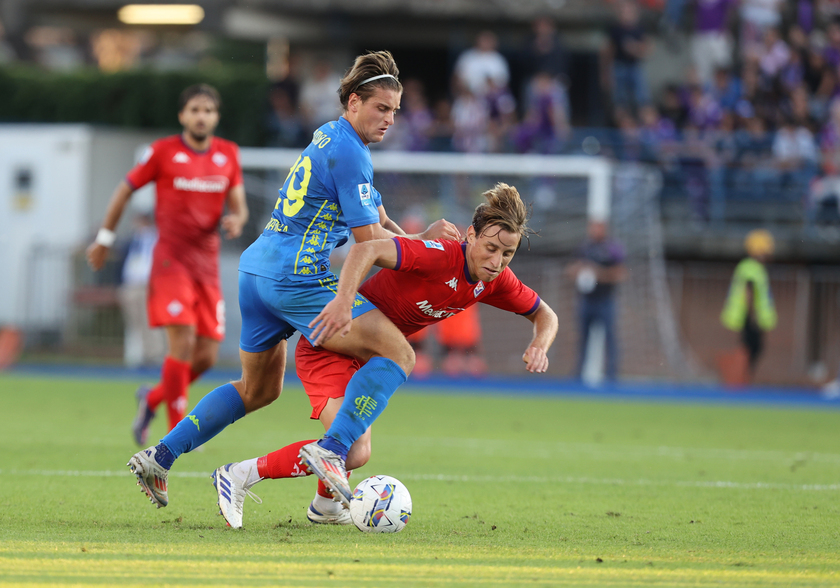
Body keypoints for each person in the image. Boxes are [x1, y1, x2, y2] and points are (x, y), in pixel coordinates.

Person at [126, 51, 460, 509]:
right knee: (398, 351)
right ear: (354, 102)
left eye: (395, 111)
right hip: (295, 279)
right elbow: (368, 245)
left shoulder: (332, 136)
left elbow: (376, 214)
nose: (389, 119)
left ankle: (160, 456)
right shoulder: (351, 152)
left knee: (258, 389)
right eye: (381, 108)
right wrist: (428, 253)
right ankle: (334, 450)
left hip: (256, 270)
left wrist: (415, 236)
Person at [211, 183, 559, 529]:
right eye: (491, 248)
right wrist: (344, 301)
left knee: (356, 453)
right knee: (346, 442)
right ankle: (240, 474)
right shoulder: (439, 254)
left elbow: (546, 315)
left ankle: (325, 507)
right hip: (331, 345)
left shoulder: (494, 280)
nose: (497, 261)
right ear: (471, 235)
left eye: (507, 254)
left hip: (372, 359)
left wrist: (539, 344)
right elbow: (367, 251)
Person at [86, 84, 248, 446]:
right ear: (182, 116)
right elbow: (125, 190)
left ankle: (153, 398)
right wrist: (104, 240)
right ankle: (177, 435)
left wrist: (236, 220)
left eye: (208, 110)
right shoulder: (162, 152)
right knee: (183, 342)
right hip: (171, 261)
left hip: (206, 265)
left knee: (206, 356)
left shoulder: (228, 154)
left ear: (216, 117)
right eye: (194, 109)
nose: (201, 116)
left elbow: (238, 205)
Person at [566, 220, 626, 383]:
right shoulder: (584, 248)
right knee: (582, 337)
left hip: (605, 300)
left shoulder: (612, 248)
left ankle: (612, 376)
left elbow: (620, 273)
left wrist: (599, 274)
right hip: (586, 301)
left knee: (610, 337)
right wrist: (580, 272)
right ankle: (578, 375)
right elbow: (570, 269)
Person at [720, 229, 777, 380]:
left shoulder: (749, 266)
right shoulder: (752, 267)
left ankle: (741, 376)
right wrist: (753, 315)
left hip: (747, 315)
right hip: (749, 316)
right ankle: (737, 375)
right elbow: (749, 291)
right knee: (750, 347)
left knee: (751, 347)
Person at [118, 212, 164, 369]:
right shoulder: (131, 240)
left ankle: (155, 355)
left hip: (148, 285)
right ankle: (142, 353)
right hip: (130, 285)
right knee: (135, 321)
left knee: (149, 321)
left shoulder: (156, 239)